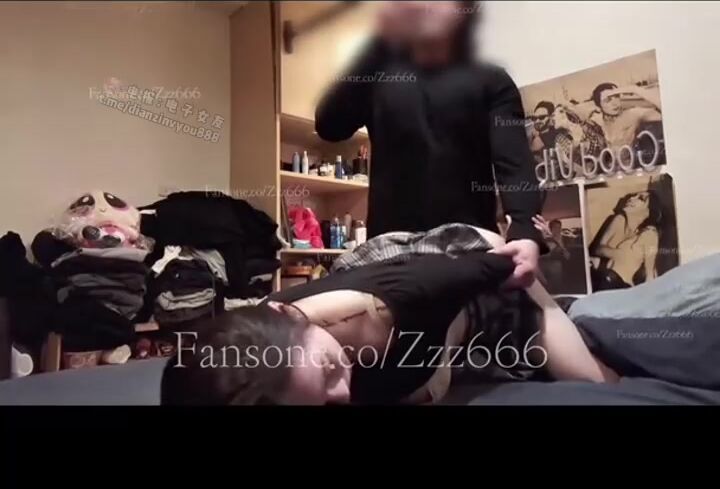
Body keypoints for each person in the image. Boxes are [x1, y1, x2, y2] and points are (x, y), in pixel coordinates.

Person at [161, 227, 618, 406]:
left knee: (598, 384)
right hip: (422, 339)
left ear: (291, 316)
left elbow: (507, 260)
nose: (343, 394)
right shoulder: (242, 360)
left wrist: (525, 249)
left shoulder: (402, 299)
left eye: (329, 371)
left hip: (471, 271)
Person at [315, 0, 546, 287]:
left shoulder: (493, 81)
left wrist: (525, 232)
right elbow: (329, 126)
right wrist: (379, 43)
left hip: (468, 247)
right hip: (389, 253)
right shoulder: (376, 77)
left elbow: (513, 163)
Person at [589, 190, 661, 289]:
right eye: (634, 195)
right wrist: (617, 255)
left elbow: (650, 271)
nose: (631, 198)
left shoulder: (649, 233)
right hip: (608, 279)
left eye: (641, 198)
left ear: (648, 211)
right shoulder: (622, 222)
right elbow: (598, 250)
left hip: (617, 284)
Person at [568, 82, 662, 155]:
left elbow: (664, 109)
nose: (615, 103)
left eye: (616, 96)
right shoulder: (597, 120)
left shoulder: (632, 114)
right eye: (608, 100)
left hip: (629, 166)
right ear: (599, 105)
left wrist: (634, 89)